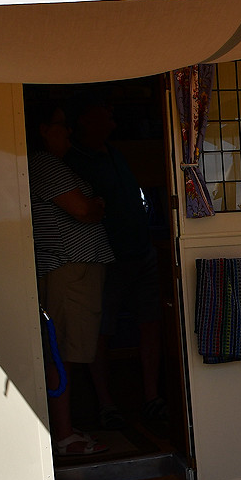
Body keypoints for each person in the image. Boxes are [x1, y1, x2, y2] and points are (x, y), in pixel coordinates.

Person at [68, 98, 166, 428]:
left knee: (150, 322)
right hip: (106, 258)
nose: (111, 114)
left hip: (141, 252)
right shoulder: (75, 160)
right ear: (85, 119)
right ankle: (106, 404)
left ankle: (151, 397)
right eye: (102, 110)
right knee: (102, 329)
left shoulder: (114, 152)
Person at [29, 104, 115, 456]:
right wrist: (97, 206)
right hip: (67, 268)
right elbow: (82, 209)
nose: (68, 132)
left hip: (74, 269)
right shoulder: (43, 163)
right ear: (42, 129)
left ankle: (65, 429)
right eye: (61, 125)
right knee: (60, 351)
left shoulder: (52, 164)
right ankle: (63, 435)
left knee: (66, 349)